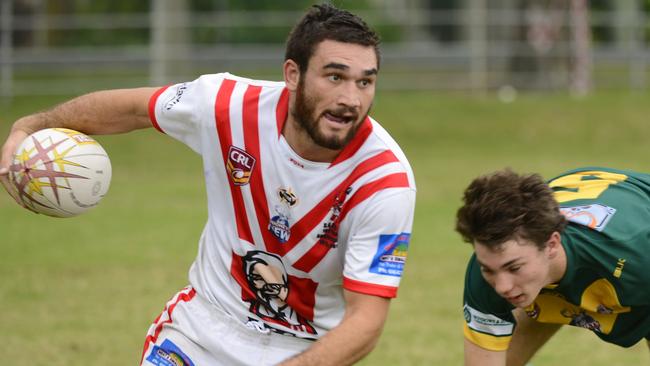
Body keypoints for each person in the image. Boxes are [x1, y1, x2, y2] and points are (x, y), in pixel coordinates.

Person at [0, 4, 416, 366]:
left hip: (306, 349)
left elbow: (366, 321)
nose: (352, 98)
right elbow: (129, 109)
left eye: (365, 81)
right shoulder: (227, 105)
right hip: (202, 331)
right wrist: (31, 124)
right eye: (335, 77)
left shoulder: (384, 182)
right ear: (293, 74)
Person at [455, 167, 650, 365]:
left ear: (552, 244)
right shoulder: (492, 265)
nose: (501, 286)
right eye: (488, 269)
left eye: (514, 268)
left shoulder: (634, 254)